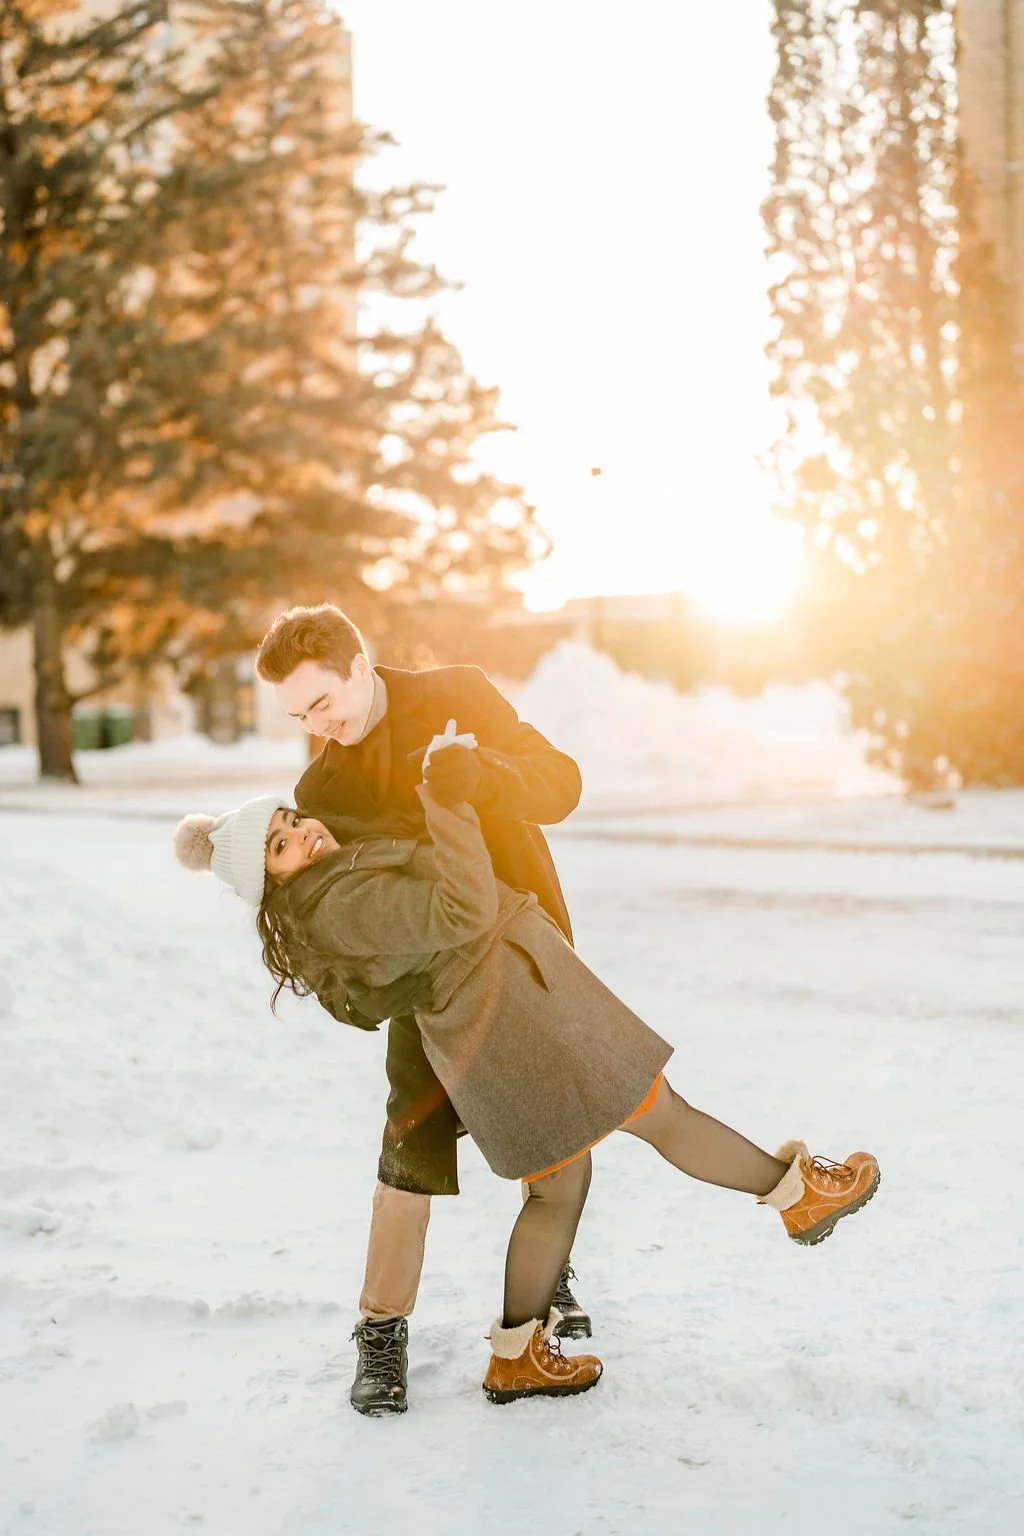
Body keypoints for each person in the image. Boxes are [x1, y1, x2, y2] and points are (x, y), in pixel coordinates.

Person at [172, 733, 881, 1407]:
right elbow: (462, 907)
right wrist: (444, 803)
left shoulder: (333, 885)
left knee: (561, 1185)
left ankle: (518, 1356)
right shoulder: (343, 903)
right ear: (269, 879)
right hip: (519, 1017)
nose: (304, 833)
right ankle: (797, 1196)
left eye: (293, 821)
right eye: (280, 843)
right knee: (658, 1112)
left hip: (508, 1012)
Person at [252, 604, 590, 1415]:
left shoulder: (457, 694)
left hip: (519, 946)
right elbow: (327, 902)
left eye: (323, 704)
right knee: (411, 1138)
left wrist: (486, 777)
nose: (318, 727)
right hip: (424, 985)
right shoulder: (320, 785)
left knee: (551, 1117)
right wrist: (345, 986)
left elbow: (562, 786)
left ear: (360, 665)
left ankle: (550, 1280)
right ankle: (381, 1334)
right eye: (299, 716)